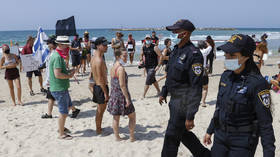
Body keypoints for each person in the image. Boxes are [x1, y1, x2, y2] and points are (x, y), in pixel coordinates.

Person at [203, 34, 275, 157]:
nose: (227, 57)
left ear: (246, 57)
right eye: (226, 54)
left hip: (243, 142)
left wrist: (269, 153)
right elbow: (219, 108)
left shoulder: (257, 83)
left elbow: (265, 124)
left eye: (232, 55)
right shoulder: (225, 77)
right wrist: (210, 130)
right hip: (220, 137)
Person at [159, 19, 210, 157]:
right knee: (182, 133)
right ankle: (204, 154)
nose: (173, 33)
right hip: (173, 101)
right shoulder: (176, 50)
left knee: (171, 136)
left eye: (176, 30)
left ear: (185, 33)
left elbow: (196, 87)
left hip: (184, 103)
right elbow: (170, 75)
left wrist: (190, 115)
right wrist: (164, 91)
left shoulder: (194, 54)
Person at [41, 36, 80, 119]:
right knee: (59, 98)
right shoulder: (54, 54)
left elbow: (58, 71)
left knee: (57, 101)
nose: (47, 44)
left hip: (54, 81)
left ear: (54, 44)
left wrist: (69, 74)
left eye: (49, 43)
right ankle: (73, 110)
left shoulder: (56, 55)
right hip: (53, 80)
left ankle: (53, 117)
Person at [49, 36, 80, 140]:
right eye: (66, 45)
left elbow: (59, 72)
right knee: (63, 112)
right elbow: (57, 74)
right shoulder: (57, 57)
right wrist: (69, 76)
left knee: (66, 109)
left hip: (60, 87)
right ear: (60, 45)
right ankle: (61, 133)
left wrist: (69, 71)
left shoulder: (56, 55)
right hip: (59, 88)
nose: (67, 46)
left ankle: (61, 128)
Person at [107, 49, 136, 142]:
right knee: (132, 116)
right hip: (121, 96)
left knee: (116, 118)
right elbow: (122, 85)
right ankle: (131, 137)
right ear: (118, 57)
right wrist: (127, 99)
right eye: (124, 56)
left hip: (114, 95)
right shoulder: (121, 68)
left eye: (126, 55)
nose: (126, 57)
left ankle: (117, 137)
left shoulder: (113, 67)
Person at [91, 37, 111, 134]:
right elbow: (101, 78)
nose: (107, 47)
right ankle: (98, 129)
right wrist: (106, 93)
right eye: (104, 45)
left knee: (99, 110)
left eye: (107, 45)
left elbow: (92, 75)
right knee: (100, 111)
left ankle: (98, 128)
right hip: (101, 87)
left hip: (97, 86)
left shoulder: (93, 58)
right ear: (98, 46)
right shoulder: (99, 60)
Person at [197, 40, 212, 107]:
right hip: (203, 71)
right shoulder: (204, 52)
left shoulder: (194, 52)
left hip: (195, 70)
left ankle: (195, 101)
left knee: (195, 87)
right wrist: (206, 42)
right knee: (205, 87)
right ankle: (203, 102)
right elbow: (210, 47)